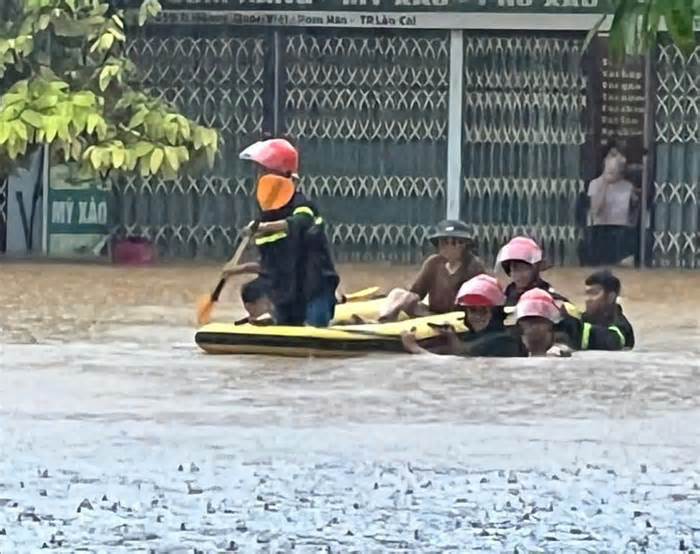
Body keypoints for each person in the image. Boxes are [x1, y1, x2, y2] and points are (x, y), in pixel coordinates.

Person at [223, 138, 339, 327]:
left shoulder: (303, 204)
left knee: (315, 327)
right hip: (288, 292)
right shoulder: (267, 214)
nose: (263, 176)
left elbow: (298, 222)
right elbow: (270, 265)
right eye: (263, 172)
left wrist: (262, 228)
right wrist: (237, 270)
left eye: (268, 172)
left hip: (314, 285)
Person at [378, 220, 486, 322]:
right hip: (431, 314)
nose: (443, 247)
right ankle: (382, 321)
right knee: (397, 293)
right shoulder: (434, 263)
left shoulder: (474, 267)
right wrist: (403, 301)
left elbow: (479, 304)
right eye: (442, 242)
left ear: (463, 245)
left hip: (457, 318)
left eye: (450, 242)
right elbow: (416, 293)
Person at [401, 274, 526, 357]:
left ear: (495, 312)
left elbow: (462, 355)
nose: (477, 316)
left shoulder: (504, 340)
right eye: (472, 310)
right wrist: (451, 337)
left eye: (483, 310)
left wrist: (414, 348)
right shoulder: (473, 336)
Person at [585, 142, 640, 265]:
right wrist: (605, 183)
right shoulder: (595, 184)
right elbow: (595, 211)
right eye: (612, 156)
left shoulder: (628, 186)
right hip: (601, 232)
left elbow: (634, 214)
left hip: (622, 233)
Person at [495, 236, 568, 307]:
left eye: (523, 268)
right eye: (514, 269)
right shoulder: (504, 299)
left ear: (535, 269)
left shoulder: (552, 301)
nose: (518, 275)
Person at [515, 288, 574, 357]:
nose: (533, 328)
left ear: (550, 325)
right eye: (528, 321)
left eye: (538, 321)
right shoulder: (514, 348)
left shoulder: (560, 351)